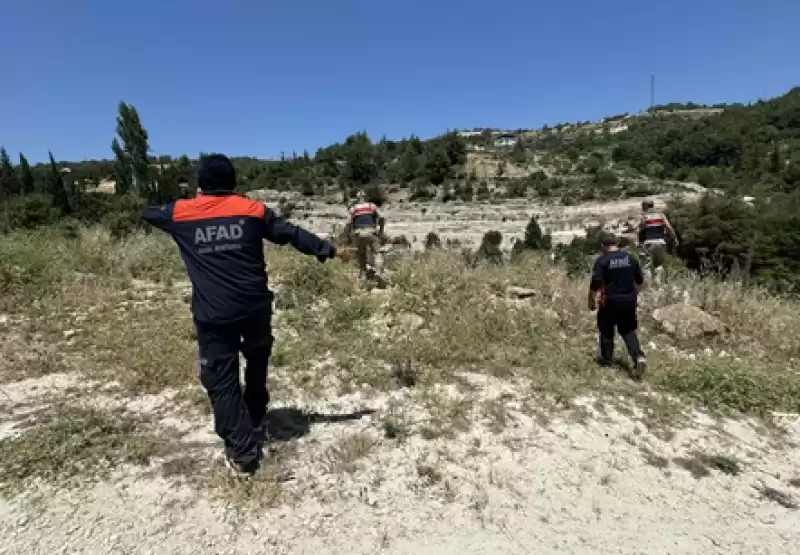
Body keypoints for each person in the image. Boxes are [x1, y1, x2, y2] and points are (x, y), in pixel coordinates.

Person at [140, 154, 350, 477]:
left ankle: (243, 452)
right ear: (233, 183)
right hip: (255, 307)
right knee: (257, 357)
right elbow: (291, 233)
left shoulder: (181, 213)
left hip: (214, 315)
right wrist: (330, 250)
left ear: (201, 185)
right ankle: (254, 413)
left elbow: (147, 212)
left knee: (220, 379)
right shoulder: (251, 210)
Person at [589, 232, 647, 379]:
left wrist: (591, 300)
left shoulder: (602, 261)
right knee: (628, 330)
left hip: (609, 301)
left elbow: (595, 282)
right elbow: (640, 282)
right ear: (616, 244)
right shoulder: (631, 259)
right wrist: (634, 295)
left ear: (603, 246)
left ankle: (607, 361)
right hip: (629, 300)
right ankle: (638, 357)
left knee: (606, 330)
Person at [638, 200, 678, 285]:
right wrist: (674, 238)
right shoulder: (661, 215)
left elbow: (641, 229)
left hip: (648, 242)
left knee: (646, 266)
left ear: (646, 206)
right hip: (660, 242)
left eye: (642, 206)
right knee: (659, 264)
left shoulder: (645, 216)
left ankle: (648, 286)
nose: (642, 208)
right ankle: (658, 284)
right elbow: (668, 227)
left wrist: (639, 241)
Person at [348, 190, 385, 280]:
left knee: (361, 254)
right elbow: (382, 217)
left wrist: (350, 234)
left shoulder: (353, 208)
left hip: (358, 233)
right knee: (377, 253)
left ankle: (363, 275)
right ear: (366, 197)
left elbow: (348, 222)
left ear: (357, 199)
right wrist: (381, 230)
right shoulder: (372, 206)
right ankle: (378, 273)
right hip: (370, 232)